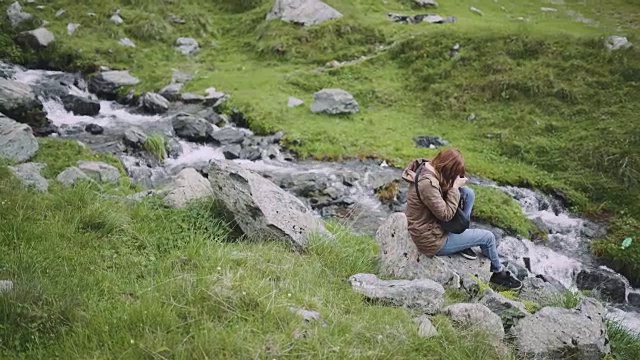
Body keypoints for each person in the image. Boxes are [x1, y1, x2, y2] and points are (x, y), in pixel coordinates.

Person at [402, 147, 522, 290]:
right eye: (453, 174)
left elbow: (440, 193)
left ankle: (462, 237)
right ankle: (497, 272)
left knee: (467, 193)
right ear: (447, 168)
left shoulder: (428, 167)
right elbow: (446, 214)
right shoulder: (427, 184)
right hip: (431, 239)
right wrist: (454, 188)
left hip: (433, 225)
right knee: (488, 237)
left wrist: (455, 186)